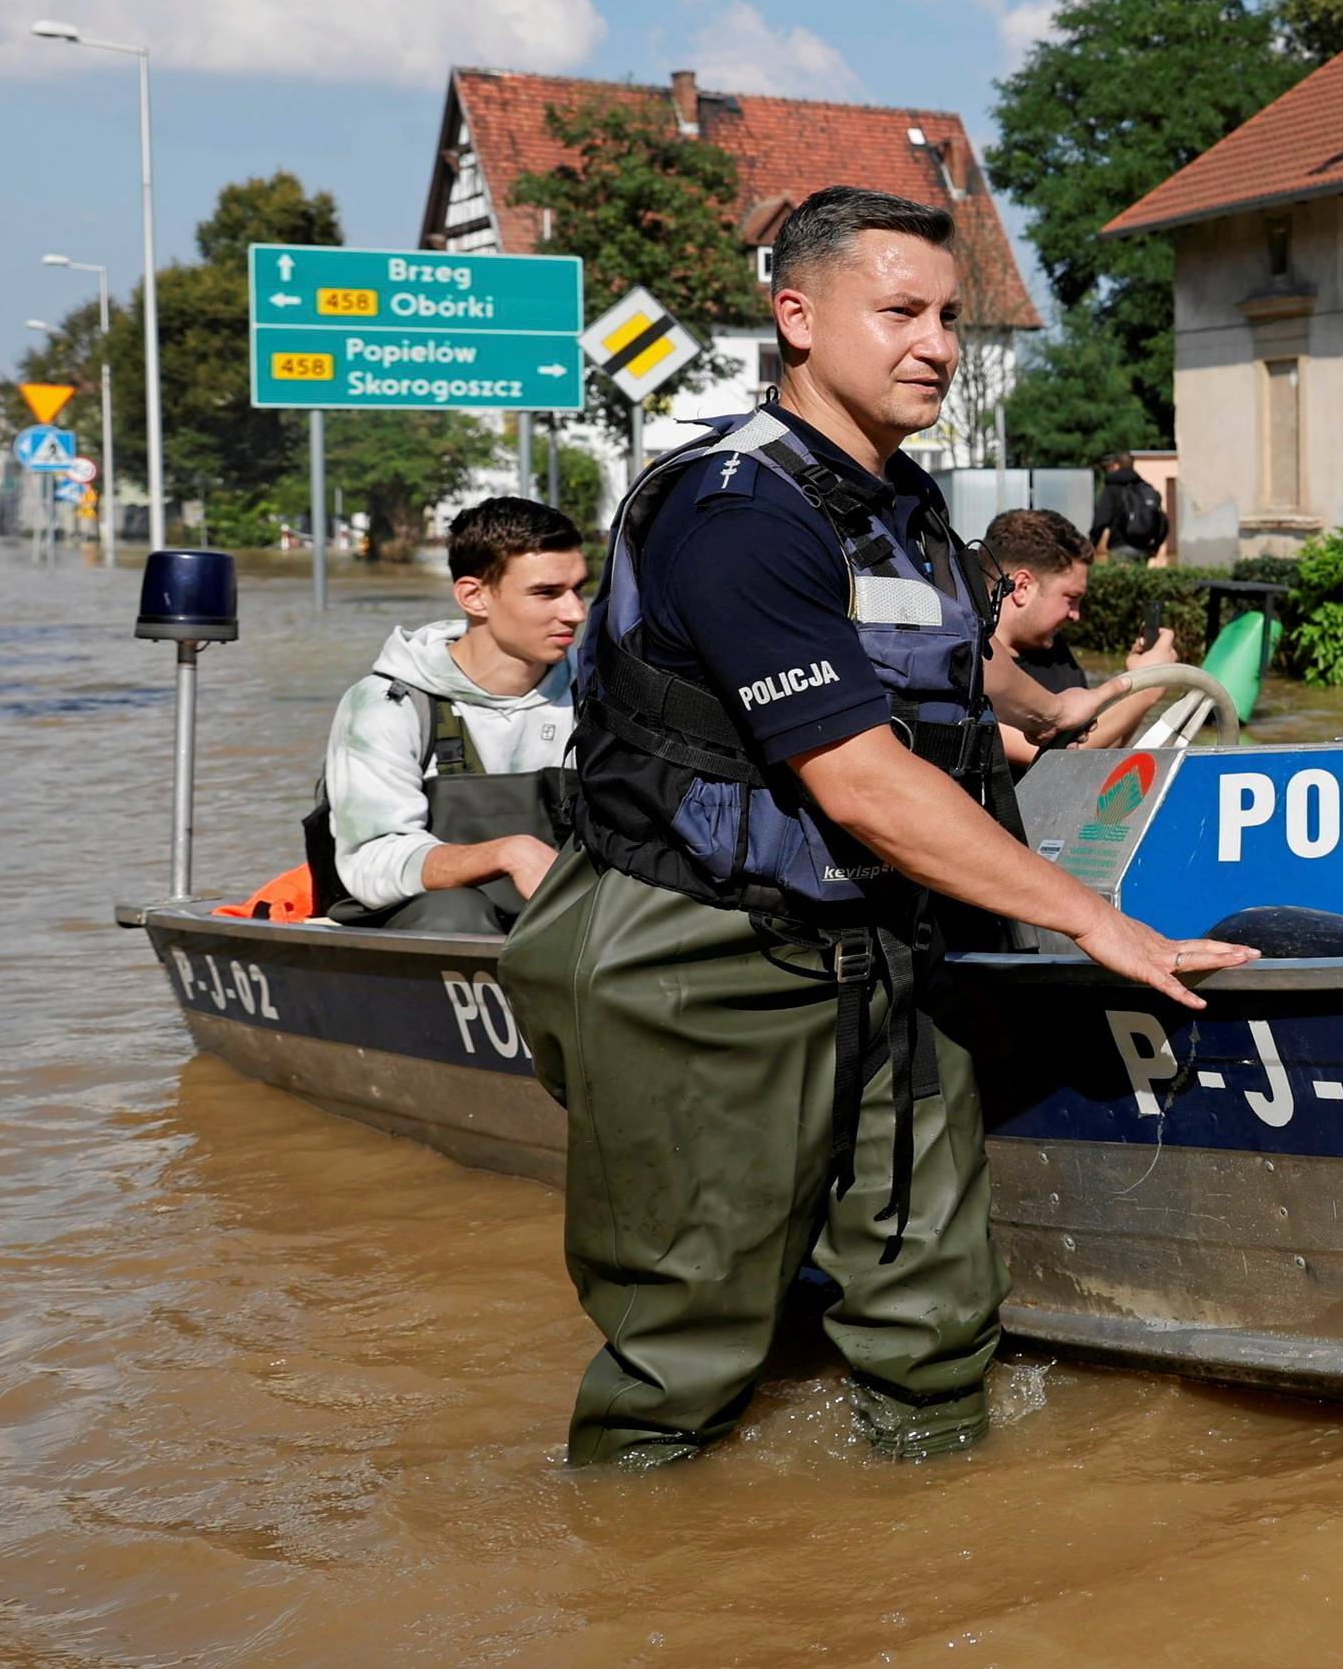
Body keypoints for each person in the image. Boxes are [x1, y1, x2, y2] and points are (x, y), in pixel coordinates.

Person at [496, 187, 1253, 1470]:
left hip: (891, 953)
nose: (940, 345)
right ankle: (642, 1605)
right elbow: (856, 776)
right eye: (900, 310)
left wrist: (1094, 709)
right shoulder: (734, 512)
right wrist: (1094, 921)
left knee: (937, 1323)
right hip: (704, 956)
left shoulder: (901, 503)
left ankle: (933, 1571)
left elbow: (960, 678)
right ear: (796, 316)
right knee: (680, 1350)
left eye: (952, 316)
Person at [307, 495, 585, 934]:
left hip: (563, 914)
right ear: (473, 596)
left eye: (578, 589)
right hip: (435, 924)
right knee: (455, 913)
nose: (575, 613)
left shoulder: (599, 701)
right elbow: (370, 864)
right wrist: (507, 854)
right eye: (546, 593)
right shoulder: (387, 707)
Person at [977, 504, 1180, 762]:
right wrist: (1146, 686)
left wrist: (1136, 688)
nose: (1076, 615)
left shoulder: (1054, 654)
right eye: (1071, 598)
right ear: (1022, 587)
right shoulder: (969, 666)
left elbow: (1099, 751)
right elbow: (1053, 757)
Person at [1091, 451, 1169, 563]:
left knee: (1120, 580)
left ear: (1116, 465)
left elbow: (1101, 519)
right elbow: (1162, 521)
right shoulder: (1146, 488)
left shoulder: (1113, 488)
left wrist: (1092, 543)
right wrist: (1155, 546)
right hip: (1143, 549)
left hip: (1119, 547)